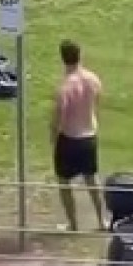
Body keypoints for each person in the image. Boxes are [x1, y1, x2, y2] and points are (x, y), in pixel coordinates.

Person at [50, 39, 105, 232]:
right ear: (80, 55)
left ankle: (73, 224)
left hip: (69, 138)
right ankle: (101, 221)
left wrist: (53, 138)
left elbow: (59, 116)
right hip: (89, 136)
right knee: (92, 179)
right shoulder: (93, 79)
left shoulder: (65, 87)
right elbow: (97, 102)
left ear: (63, 59)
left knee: (64, 182)